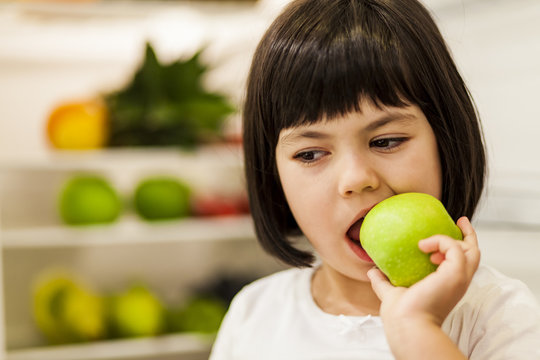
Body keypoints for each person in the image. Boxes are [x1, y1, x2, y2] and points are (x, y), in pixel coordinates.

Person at [209, 0, 540, 359]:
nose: (355, 179)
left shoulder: (495, 314)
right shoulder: (254, 313)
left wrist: (416, 328)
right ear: (273, 175)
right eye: (310, 154)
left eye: (385, 141)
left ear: (445, 141)